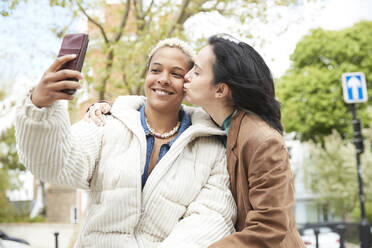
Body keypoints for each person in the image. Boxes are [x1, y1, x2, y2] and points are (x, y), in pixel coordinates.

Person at [15, 38, 236, 248]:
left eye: (176, 74)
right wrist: (40, 106)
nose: (163, 79)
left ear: (187, 83)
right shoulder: (105, 123)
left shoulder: (212, 145)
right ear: (146, 76)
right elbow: (55, 165)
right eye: (156, 70)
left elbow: (211, 218)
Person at [88, 34, 306, 248]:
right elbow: (153, 106)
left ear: (220, 90)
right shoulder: (212, 125)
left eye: (197, 71)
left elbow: (270, 227)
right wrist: (109, 108)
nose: (187, 76)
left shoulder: (263, 141)